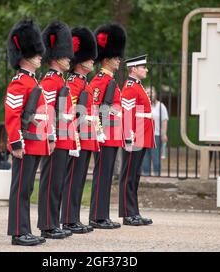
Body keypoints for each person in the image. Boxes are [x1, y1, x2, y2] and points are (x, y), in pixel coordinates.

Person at [5, 19, 53, 246]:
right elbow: (12, 115)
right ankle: (18, 232)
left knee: (27, 188)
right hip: (24, 143)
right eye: (36, 53)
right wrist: (16, 143)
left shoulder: (33, 82)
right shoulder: (19, 83)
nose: (40, 56)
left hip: (35, 142)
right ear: (25, 55)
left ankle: (25, 229)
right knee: (21, 188)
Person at [37, 21, 75, 239]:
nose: (69, 58)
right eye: (65, 55)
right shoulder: (50, 82)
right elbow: (47, 112)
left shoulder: (60, 80)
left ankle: (53, 222)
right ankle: (47, 225)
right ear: (55, 57)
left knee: (57, 183)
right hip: (54, 140)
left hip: (64, 138)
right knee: (51, 182)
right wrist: (50, 137)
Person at [60, 26, 98, 234]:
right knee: (73, 178)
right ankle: (68, 219)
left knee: (80, 179)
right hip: (77, 137)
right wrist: (75, 139)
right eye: (89, 58)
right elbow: (73, 113)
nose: (93, 61)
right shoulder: (73, 83)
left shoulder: (85, 83)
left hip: (87, 135)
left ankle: (73, 217)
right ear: (80, 61)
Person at [88, 23, 126, 229]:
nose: (119, 60)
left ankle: (102, 215)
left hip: (113, 135)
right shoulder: (100, 81)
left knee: (107, 177)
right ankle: (97, 216)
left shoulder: (110, 80)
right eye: (115, 57)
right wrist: (99, 132)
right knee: (102, 176)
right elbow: (93, 108)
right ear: (106, 58)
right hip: (104, 136)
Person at [119, 54, 154, 226]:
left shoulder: (138, 86)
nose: (146, 70)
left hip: (141, 135)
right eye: (143, 67)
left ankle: (134, 212)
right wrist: (128, 137)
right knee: (129, 176)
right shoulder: (131, 87)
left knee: (135, 176)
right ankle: (128, 214)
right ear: (134, 69)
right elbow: (126, 114)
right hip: (134, 136)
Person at [141, 87, 168, 176]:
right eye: (148, 92)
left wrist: (163, 134)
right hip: (144, 135)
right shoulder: (142, 105)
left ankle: (157, 175)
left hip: (156, 135)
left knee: (156, 158)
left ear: (155, 93)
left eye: (151, 92)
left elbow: (164, 120)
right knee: (145, 158)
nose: (150, 94)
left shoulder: (161, 106)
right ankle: (146, 175)